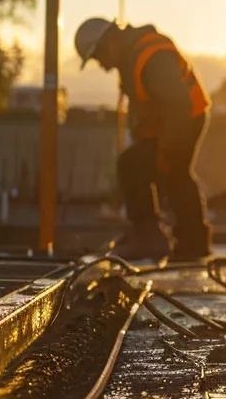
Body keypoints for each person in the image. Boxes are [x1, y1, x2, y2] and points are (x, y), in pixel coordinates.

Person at [74, 18, 213, 262]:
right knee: (137, 165)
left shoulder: (151, 57)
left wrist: (166, 149)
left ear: (111, 41)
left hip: (184, 118)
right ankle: (165, 238)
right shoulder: (131, 58)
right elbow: (146, 109)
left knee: (173, 171)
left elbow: (177, 104)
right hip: (171, 121)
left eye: (99, 57)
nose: (103, 66)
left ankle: (184, 242)